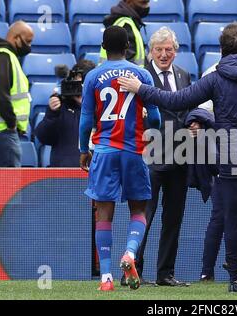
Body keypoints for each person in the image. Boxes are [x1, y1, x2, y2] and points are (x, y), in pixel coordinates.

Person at [118, 22, 237, 293]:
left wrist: (141, 89)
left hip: (232, 154)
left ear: (221, 49)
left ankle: (235, 277)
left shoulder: (216, 77)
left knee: (231, 219)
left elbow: (178, 100)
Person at [79, 26, 161, 291]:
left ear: (103, 47)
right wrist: (150, 131)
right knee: (139, 209)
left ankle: (105, 278)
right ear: (128, 47)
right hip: (132, 151)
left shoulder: (93, 76)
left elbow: (85, 120)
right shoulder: (142, 74)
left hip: (103, 150)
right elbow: (156, 118)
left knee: (103, 213)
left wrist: (84, 149)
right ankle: (129, 253)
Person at [134, 27, 193, 287]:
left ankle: (165, 274)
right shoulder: (141, 76)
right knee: (144, 215)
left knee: (173, 218)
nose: (164, 54)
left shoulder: (184, 75)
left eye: (168, 49)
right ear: (150, 52)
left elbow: (189, 107)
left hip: (180, 155)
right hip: (150, 156)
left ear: (176, 52)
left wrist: (195, 123)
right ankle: (133, 270)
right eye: (159, 49)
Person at [34, 60, 96, 167]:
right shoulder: (61, 107)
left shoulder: (102, 107)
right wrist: (52, 113)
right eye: (76, 84)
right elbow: (44, 137)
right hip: (63, 175)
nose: (80, 89)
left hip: (94, 173)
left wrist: (88, 106)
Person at [0, 21, 34, 167]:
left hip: (6, 131)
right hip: (4, 131)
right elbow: (1, 93)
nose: (29, 46)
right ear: (16, 38)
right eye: (27, 41)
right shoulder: (4, 56)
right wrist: (12, 123)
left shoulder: (9, 57)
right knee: (11, 185)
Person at [100, 0, 150, 66]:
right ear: (128, 1)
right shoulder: (125, 25)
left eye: (147, 3)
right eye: (143, 3)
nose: (147, 7)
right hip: (127, 75)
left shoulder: (125, 22)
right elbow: (123, 65)